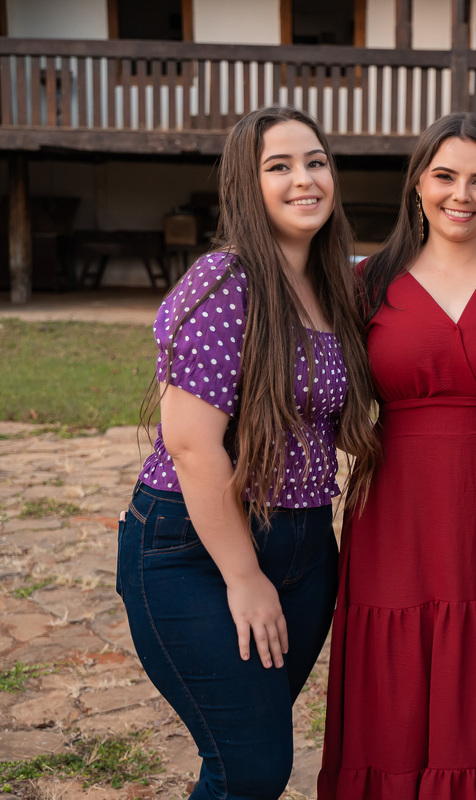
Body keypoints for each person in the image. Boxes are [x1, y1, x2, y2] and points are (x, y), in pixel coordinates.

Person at [117, 106, 379, 799]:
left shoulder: (336, 286)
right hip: (196, 550)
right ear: (245, 184)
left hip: (305, 547)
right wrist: (243, 576)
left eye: (316, 162)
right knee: (252, 769)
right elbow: (192, 445)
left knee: (241, 758)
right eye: (279, 167)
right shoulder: (222, 283)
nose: (305, 179)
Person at [316, 112, 476, 800]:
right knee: (394, 672)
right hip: (394, 510)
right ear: (417, 185)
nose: (462, 194)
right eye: (445, 176)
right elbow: (329, 402)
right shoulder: (365, 283)